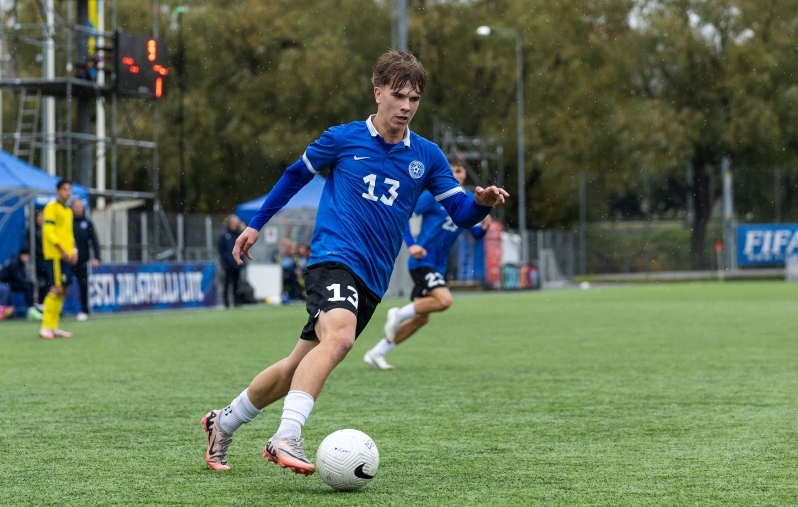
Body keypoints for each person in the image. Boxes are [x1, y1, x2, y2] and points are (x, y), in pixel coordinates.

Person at [200, 50, 508, 475]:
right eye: (398, 96)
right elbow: (295, 175)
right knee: (341, 338)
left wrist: (480, 202)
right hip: (332, 258)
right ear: (377, 92)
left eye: (414, 99)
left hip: (373, 279)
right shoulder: (342, 139)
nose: (405, 106)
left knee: (297, 366)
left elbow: (461, 214)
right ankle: (286, 436)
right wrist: (256, 224)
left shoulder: (428, 156)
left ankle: (223, 421)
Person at [363, 154, 492, 370]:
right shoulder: (434, 196)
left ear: (464, 174)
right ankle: (398, 313)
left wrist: (484, 227)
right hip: (423, 262)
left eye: (459, 171)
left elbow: (474, 233)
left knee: (422, 317)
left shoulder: (469, 199)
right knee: (444, 301)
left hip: (438, 266)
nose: (455, 175)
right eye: (450, 171)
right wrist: (412, 244)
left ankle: (377, 353)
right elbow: (403, 215)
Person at [39, 180, 77, 340]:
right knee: (56, 288)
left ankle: (53, 327)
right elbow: (48, 231)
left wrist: (74, 250)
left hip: (67, 256)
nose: (67, 193)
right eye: (64, 189)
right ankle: (45, 326)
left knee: (65, 289)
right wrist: (61, 250)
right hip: (55, 255)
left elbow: (69, 233)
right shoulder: (51, 207)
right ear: (57, 191)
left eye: (69, 190)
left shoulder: (68, 211)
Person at [71, 198, 101, 321]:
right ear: (71, 208)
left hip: (82, 260)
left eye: (80, 206)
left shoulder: (87, 223)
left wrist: (97, 257)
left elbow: (94, 241)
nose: (78, 208)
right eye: (76, 206)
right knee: (62, 285)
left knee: (83, 285)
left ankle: (84, 309)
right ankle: (58, 311)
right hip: (68, 260)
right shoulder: (67, 222)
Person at [0, 248, 42, 320]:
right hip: (5, 283)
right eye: (25, 256)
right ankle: (30, 309)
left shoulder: (21, 263)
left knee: (29, 284)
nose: (27, 258)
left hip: (10, 283)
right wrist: (30, 282)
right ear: (21, 255)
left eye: (28, 256)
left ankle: (33, 307)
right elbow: (18, 278)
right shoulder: (15, 263)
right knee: (27, 285)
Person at [218, 215, 244, 308]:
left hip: (237, 264)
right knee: (227, 283)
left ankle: (237, 302)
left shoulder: (239, 234)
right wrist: (228, 260)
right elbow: (222, 250)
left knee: (236, 284)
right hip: (228, 265)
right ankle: (226, 303)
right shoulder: (224, 235)